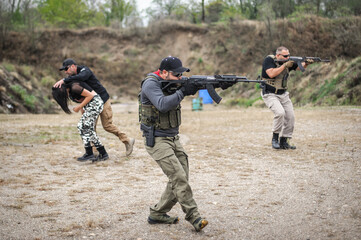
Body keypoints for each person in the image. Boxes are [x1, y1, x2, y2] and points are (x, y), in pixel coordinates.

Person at [139, 56, 208, 232]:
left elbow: (179, 88)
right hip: (157, 139)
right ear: (163, 73)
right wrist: (183, 91)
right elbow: (162, 104)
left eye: (181, 74)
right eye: (176, 74)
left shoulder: (171, 81)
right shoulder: (151, 84)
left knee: (181, 176)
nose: (180, 78)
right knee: (178, 177)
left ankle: (158, 213)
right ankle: (194, 217)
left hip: (173, 138)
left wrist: (212, 85)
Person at [54, 58, 135, 156]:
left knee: (107, 126)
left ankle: (127, 140)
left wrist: (64, 80)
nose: (66, 72)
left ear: (73, 66)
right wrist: (83, 108)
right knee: (90, 127)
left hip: (103, 100)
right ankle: (95, 151)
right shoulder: (73, 80)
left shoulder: (84, 71)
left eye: (66, 69)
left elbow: (81, 77)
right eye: (64, 71)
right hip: (91, 103)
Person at [261, 46, 314, 149]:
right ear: (278, 55)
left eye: (288, 56)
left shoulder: (288, 62)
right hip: (270, 93)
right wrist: (285, 65)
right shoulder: (269, 60)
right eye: (285, 56)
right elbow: (271, 74)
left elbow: (299, 67)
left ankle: (284, 141)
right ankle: (275, 139)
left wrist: (306, 63)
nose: (287, 58)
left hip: (283, 94)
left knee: (290, 116)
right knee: (280, 113)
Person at [52, 81, 109, 162]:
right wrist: (83, 109)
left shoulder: (75, 87)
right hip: (90, 105)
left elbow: (90, 95)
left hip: (95, 104)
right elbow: (83, 98)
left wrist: (79, 107)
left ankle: (100, 153)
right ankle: (91, 152)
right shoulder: (71, 92)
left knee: (86, 128)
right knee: (82, 127)